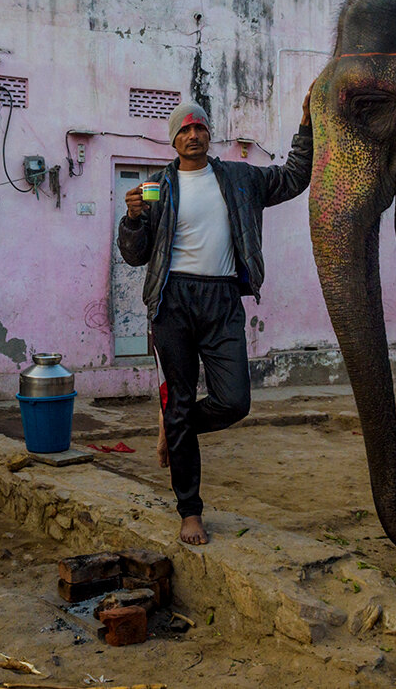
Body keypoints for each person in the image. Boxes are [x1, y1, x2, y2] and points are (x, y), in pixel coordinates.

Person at [117, 94, 312, 545]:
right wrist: (132, 221)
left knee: (234, 401)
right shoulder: (156, 189)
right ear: (173, 140)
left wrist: (305, 128)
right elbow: (135, 256)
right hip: (173, 300)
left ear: (209, 134)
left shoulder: (240, 178)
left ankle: (176, 423)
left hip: (223, 298)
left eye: (199, 128)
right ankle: (190, 511)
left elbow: (294, 178)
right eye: (183, 130)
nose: (192, 135)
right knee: (181, 401)